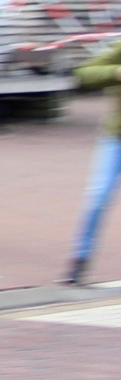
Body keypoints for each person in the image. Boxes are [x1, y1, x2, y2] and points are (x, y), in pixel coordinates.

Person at [64, 36, 121, 285]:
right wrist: (116, 72)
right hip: (116, 136)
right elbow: (84, 73)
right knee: (99, 196)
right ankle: (80, 259)